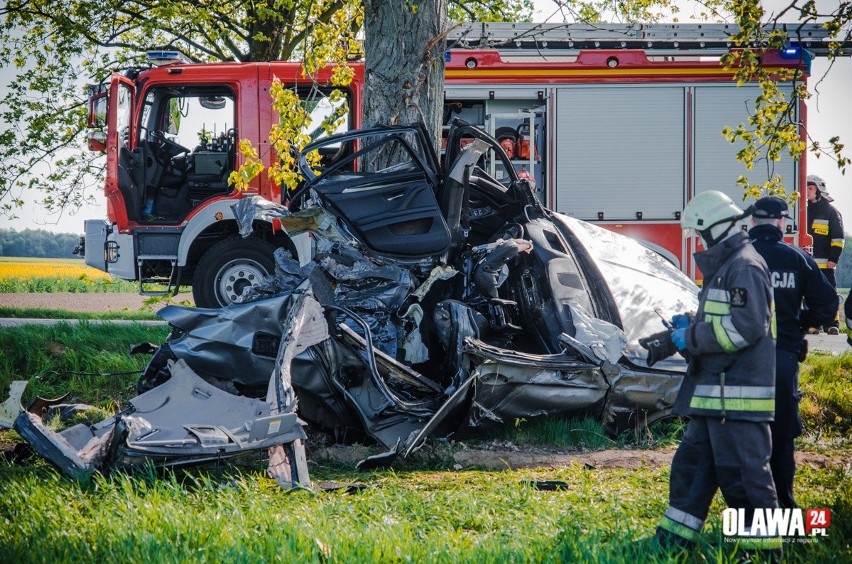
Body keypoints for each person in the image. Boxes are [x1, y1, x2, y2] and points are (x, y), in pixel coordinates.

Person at [641, 190, 780, 557]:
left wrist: (693, 335)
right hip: (713, 397)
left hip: (737, 398)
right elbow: (724, 322)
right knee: (691, 470)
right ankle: (673, 542)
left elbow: (745, 329)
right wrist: (690, 325)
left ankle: (765, 552)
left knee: (746, 480)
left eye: (702, 234)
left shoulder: (744, 266)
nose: (700, 243)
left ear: (718, 228)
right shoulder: (728, 266)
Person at [749, 195, 837, 509]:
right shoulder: (797, 258)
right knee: (781, 439)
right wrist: (801, 324)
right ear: (783, 223)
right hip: (783, 361)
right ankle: (783, 506)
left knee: (743, 437)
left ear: (752, 222)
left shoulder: (738, 258)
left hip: (741, 365)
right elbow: (827, 306)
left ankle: (748, 509)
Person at [806, 174, 845, 334]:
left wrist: (833, 258)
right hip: (808, 263)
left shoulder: (831, 212)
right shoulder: (804, 211)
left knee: (829, 294)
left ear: (819, 190)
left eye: (810, 188)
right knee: (810, 295)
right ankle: (815, 324)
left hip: (826, 265)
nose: (807, 191)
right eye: (806, 188)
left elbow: (838, 238)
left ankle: (831, 324)